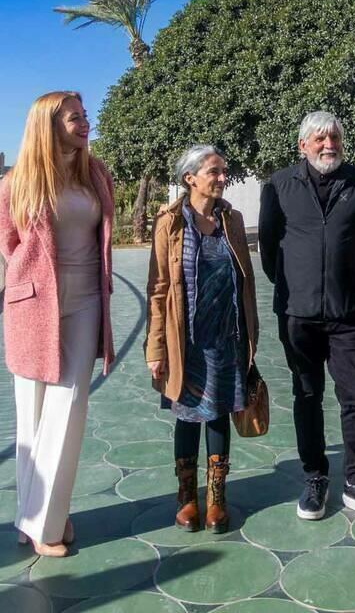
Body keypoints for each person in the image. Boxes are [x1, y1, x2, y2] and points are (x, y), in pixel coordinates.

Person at [0, 90, 116, 557]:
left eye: (85, 117)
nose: (85, 124)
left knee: (69, 402)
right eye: (74, 119)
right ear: (48, 125)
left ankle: (43, 523)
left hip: (85, 297)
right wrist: (33, 278)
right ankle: (37, 515)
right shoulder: (18, 182)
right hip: (34, 302)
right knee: (32, 413)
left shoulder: (95, 174)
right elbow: (8, 242)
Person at [258, 111, 355, 523]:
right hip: (297, 314)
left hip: (348, 312)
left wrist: (342, 280)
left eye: (333, 136)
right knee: (307, 396)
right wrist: (297, 284)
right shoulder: (279, 186)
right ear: (303, 146)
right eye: (318, 138)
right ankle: (315, 477)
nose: (328, 143)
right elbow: (268, 248)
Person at [145, 145, 259, 534]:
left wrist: (250, 341)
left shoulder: (233, 219)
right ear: (190, 178)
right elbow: (158, 288)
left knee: (219, 414)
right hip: (186, 341)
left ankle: (216, 500)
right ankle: (186, 499)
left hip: (227, 338)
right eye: (214, 171)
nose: (222, 178)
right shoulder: (171, 223)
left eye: (224, 171)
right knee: (187, 416)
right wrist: (155, 348)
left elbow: (245, 282)